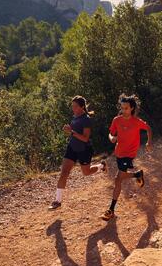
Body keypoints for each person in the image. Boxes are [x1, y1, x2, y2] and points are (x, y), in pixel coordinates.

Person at [48, 96, 107, 209]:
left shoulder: (86, 119)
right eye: (72, 106)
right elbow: (74, 131)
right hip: (72, 148)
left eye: (75, 106)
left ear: (82, 107)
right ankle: (57, 201)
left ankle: (101, 165)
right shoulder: (75, 117)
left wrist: (72, 132)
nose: (73, 108)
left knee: (86, 172)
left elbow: (85, 138)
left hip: (84, 149)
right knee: (64, 173)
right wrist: (69, 129)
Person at [102, 93, 152, 221]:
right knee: (119, 178)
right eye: (122, 107)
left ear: (132, 109)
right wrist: (112, 138)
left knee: (118, 179)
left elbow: (148, 129)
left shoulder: (136, 122)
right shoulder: (116, 120)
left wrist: (148, 142)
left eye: (126, 108)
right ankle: (137, 174)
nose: (123, 110)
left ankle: (111, 210)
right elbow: (111, 133)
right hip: (119, 152)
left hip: (129, 153)